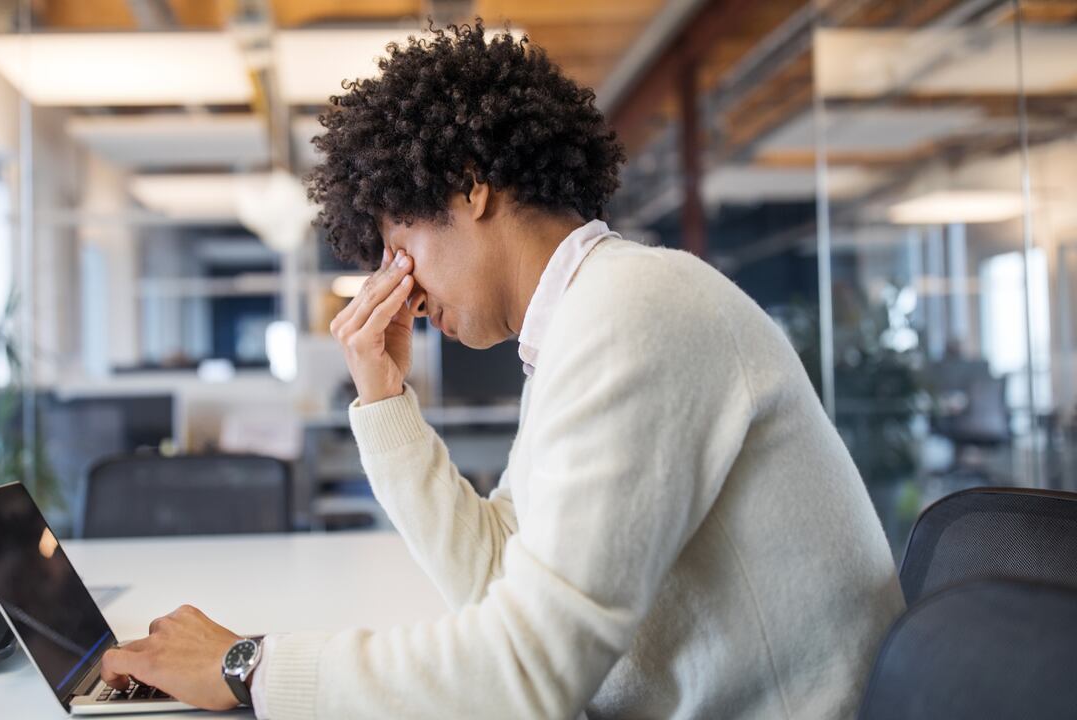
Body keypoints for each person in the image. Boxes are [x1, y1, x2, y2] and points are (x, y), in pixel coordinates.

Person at [99, 20, 904, 719]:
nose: (399, 289)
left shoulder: (637, 309)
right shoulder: (584, 321)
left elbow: (526, 676)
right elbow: (495, 582)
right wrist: (385, 401)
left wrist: (249, 668)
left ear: (469, 188)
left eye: (398, 247)